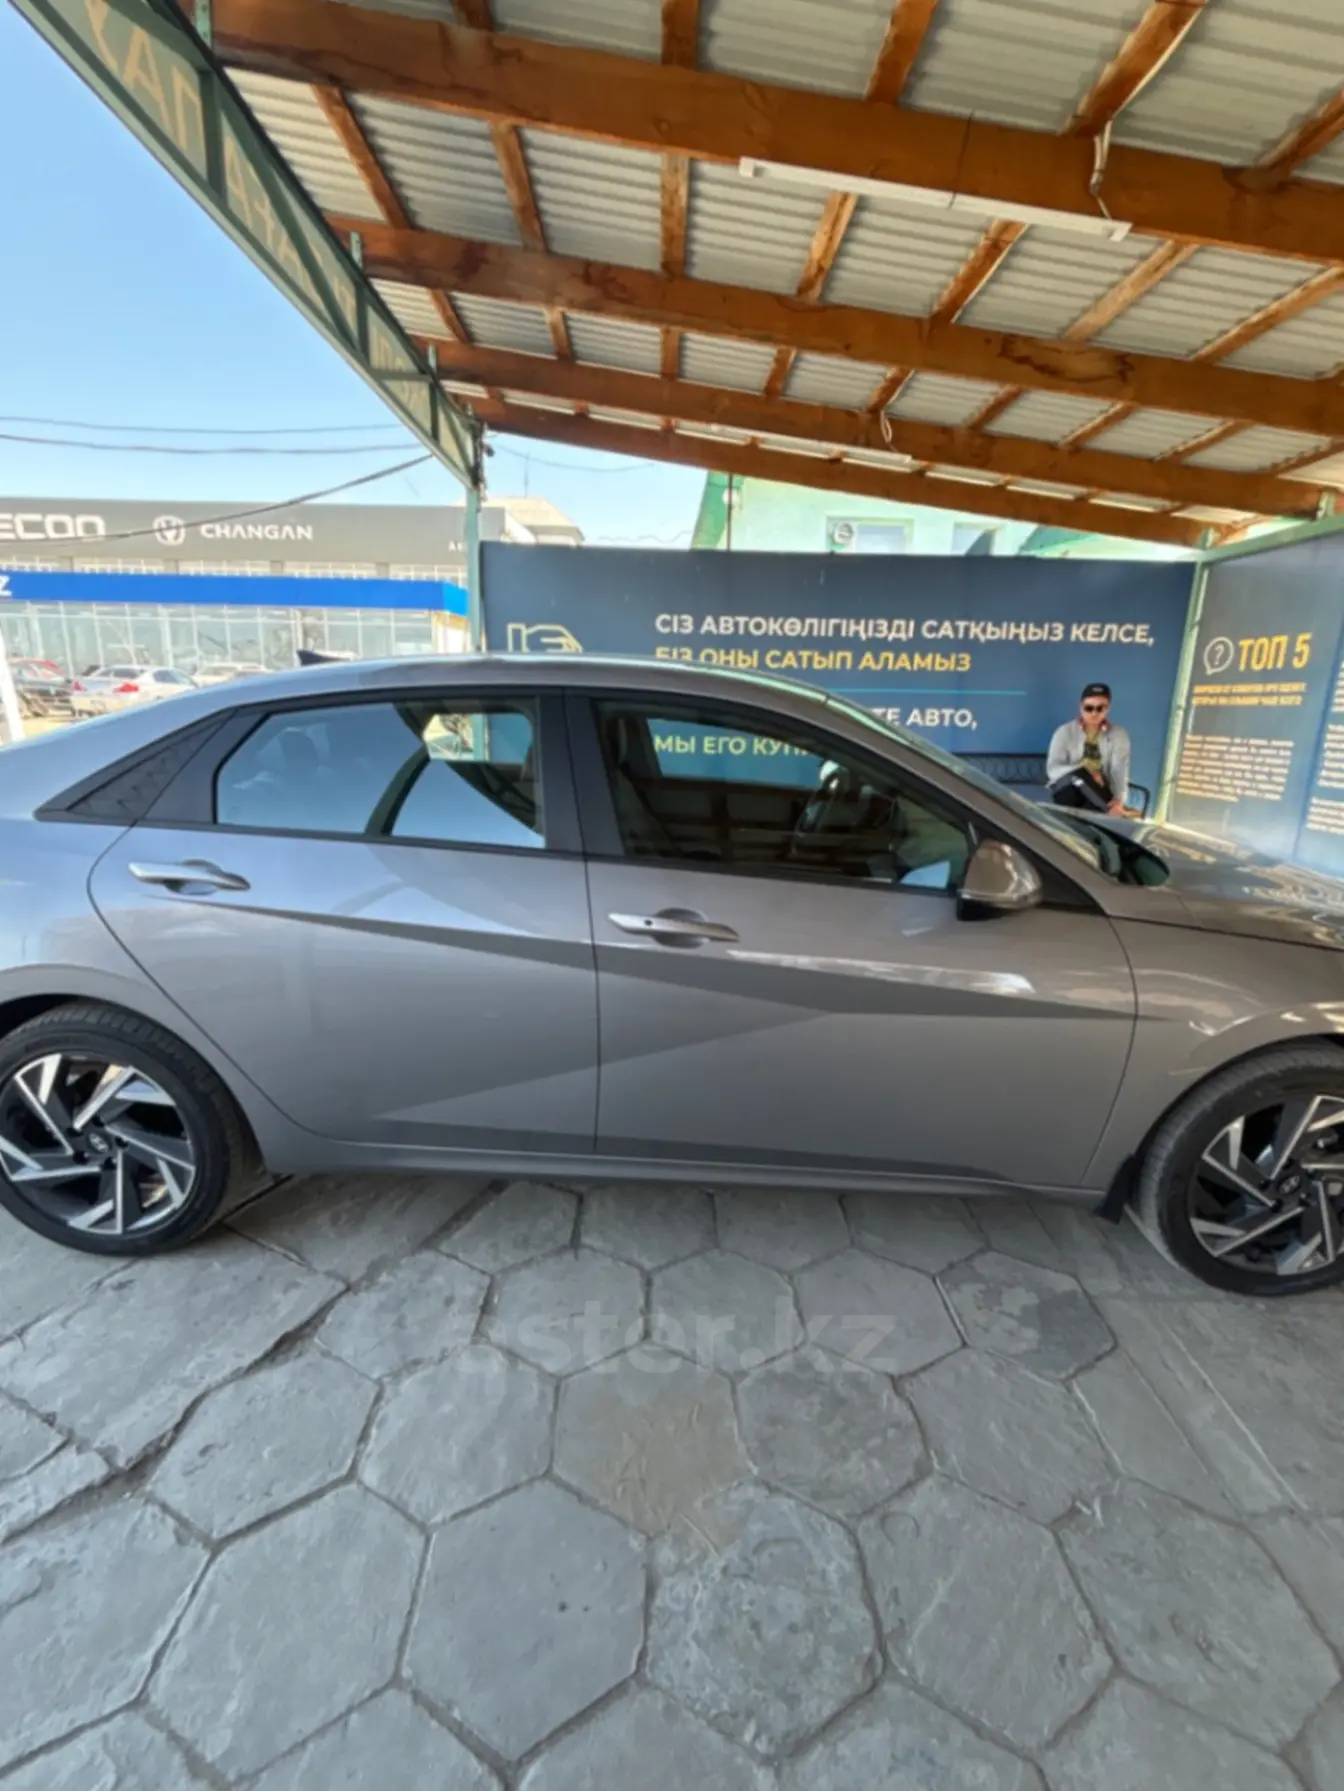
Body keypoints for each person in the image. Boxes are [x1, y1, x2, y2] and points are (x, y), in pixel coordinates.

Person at [1047, 683, 1132, 815]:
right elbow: (1052, 770)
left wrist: (1118, 800)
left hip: (1098, 790)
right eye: (1089, 708)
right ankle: (1108, 812)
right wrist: (1086, 772)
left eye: (1100, 708)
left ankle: (1108, 811)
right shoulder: (1064, 732)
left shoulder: (1118, 735)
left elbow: (1119, 771)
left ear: (1108, 708)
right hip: (1067, 788)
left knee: (1096, 805)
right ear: (1080, 707)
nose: (1094, 713)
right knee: (1079, 779)